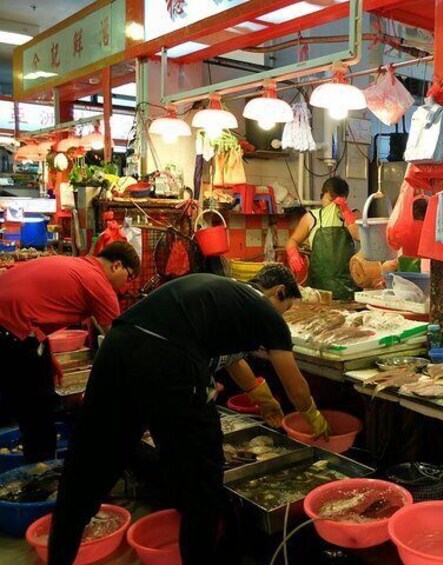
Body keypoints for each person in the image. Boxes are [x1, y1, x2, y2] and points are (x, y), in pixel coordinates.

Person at [47, 266, 330, 565]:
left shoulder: (225, 291)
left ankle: (59, 555)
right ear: (279, 293)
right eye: (286, 309)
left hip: (119, 344)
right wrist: (314, 417)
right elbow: (295, 385)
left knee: (91, 461)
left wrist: (262, 398)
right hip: (167, 358)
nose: (283, 315)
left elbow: (232, 361)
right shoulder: (265, 311)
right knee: (203, 482)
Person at [0, 241, 140, 462]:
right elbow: (118, 342)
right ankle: (40, 478)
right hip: (10, 330)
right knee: (38, 413)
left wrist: (47, 355)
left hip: (16, 326)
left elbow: (35, 308)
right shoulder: (100, 284)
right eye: (129, 277)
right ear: (117, 266)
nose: (127, 286)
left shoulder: (81, 266)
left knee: (28, 404)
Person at [286, 176, 360, 299]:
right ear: (322, 197)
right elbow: (292, 241)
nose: (333, 204)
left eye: (337, 200)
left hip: (348, 286)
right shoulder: (311, 217)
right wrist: (293, 253)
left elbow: (358, 236)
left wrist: (346, 212)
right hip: (318, 287)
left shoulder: (354, 214)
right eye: (330, 199)